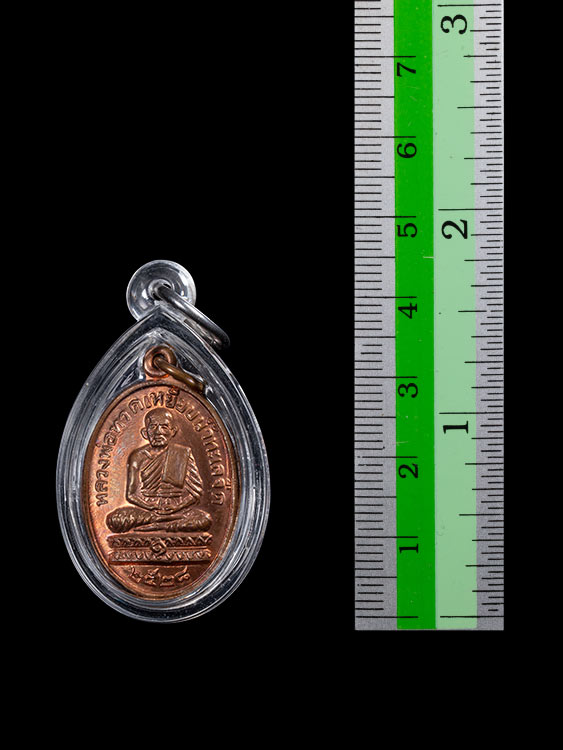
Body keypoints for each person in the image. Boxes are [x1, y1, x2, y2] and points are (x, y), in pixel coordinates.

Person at [106, 408, 211, 533]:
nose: (158, 432)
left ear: (173, 431)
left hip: (178, 509)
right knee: (115, 519)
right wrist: (150, 506)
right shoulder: (137, 456)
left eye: (164, 427)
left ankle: (161, 525)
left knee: (205, 519)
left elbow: (196, 492)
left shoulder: (182, 453)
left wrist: (176, 507)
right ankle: (168, 522)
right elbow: (131, 495)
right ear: (145, 433)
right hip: (146, 510)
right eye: (153, 427)